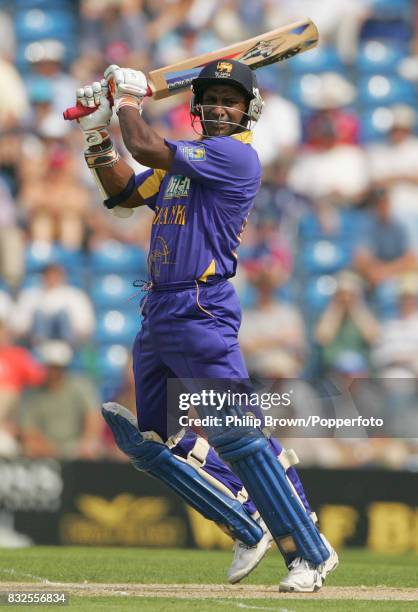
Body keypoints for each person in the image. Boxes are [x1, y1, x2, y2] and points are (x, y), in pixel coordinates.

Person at [73, 59, 338, 592]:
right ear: (196, 107)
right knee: (151, 442)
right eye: (211, 98)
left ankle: (310, 553)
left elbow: (146, 146)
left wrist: (126, 101)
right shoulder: (184, 167)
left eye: (230, 100)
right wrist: (96, 130)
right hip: (159, 308)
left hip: (201, 307)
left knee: (237, 433)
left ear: (248, 110)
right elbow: (124, 194)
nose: (219, 107)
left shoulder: (235, 156)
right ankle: (244, 525)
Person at [18, 341, 102, 460]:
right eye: (49, 367)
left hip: (77, 446)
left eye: (57, 367)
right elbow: (29, 432)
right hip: (46, 448)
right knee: (29, 448)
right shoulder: (31, 395)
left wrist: (87, 440)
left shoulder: (81, 387)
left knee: (92, 448)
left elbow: (93, 417)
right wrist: (49, 449)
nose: (53, 371)